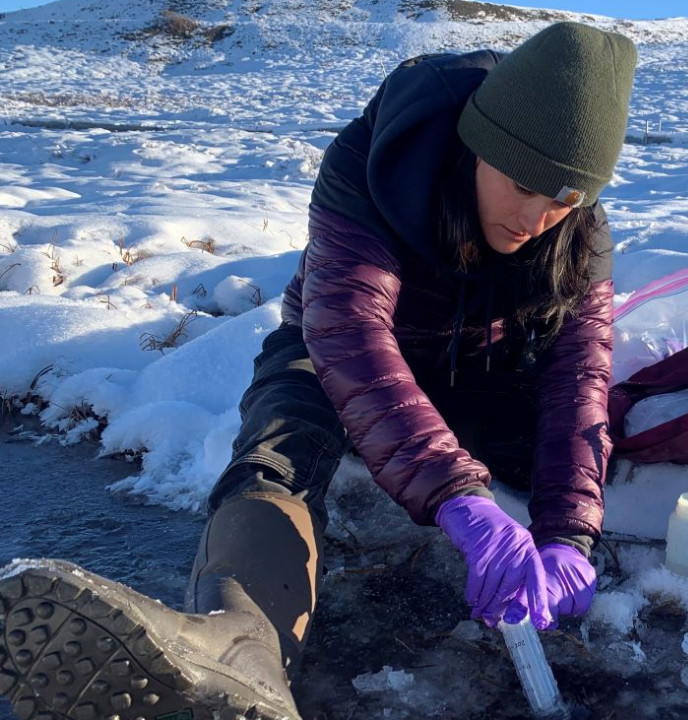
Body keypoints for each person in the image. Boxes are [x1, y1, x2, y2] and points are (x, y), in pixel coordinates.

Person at [0, 22, 636, 720]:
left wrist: (570, 535)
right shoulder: (379, 158)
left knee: (574, 432)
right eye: (525, 185)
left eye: (566, 200)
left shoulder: (579, 230)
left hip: (487, 369)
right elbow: (349, 334)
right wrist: (456, 493)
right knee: (283, 439)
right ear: (481, 143)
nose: (540, 218)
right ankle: (240, 644)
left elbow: (579, 379)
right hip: (337, 352)